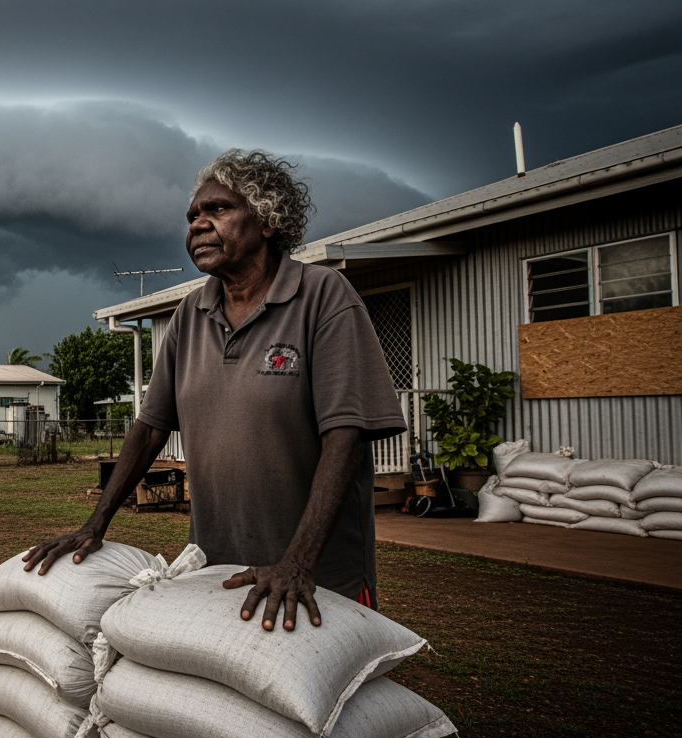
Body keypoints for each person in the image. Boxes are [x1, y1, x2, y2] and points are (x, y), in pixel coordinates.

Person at [24, 150, 406, 632]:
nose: (198, 225)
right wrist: (94, 524)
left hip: (316, 577)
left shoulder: (323, 296)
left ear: (267, 220)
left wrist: (298, 563)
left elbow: (346, 437)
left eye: (218, 209)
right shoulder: (191, 314)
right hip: (217, 571)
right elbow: (149, 429)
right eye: (192, 217)